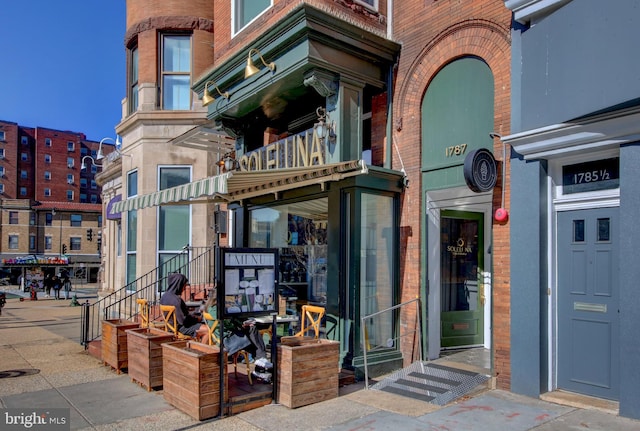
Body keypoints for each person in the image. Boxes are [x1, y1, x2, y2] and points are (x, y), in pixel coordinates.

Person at [203, 291, 271, 370]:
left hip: (227, 335)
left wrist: (241, 323)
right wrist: (239, 323)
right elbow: (225, 320)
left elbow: (229, 321)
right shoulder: (214, 309)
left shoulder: (213, 306)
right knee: (253, 334)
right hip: (226, 340)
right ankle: (261, 362)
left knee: (253, 335)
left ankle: (260, 363)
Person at [160, 273, 208, 342]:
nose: (185, 288)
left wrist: (192, 314)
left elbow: (180, 314)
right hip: (180, 328)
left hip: (170, 327)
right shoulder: (177, 300)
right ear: (179, 285)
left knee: (200, 325)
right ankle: (202, 350)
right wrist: (197, 319)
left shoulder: (164, 296)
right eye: (184, 285)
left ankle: (197, 343)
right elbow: (183, 321)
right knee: (207, 330)